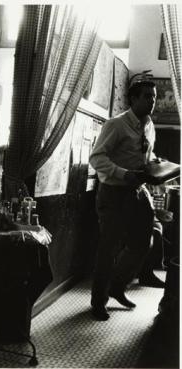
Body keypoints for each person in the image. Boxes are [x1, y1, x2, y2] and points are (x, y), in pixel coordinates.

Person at [89, 80, 158, 321]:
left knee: (143, 244)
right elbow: (96, 158)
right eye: (147, 96)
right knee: (108, 250)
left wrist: (158, 166)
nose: (152, 100)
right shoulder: (116, 125)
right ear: (133, 99)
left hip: (139, 192)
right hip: (114, 192)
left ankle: (117, 286)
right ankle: (98, 302)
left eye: (154, 96)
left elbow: (146, 155)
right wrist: (123, 173)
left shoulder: (149, 126)